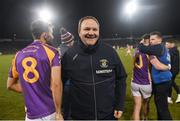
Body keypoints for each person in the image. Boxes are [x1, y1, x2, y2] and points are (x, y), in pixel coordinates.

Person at [61, 16, 127, 120]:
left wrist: (119, 104)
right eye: (87, 29)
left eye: (95, 29)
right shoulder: (69, 55)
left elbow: (121, 78)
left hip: (108, 115)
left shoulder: (110, 52)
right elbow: (61, 83)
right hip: (80, 117)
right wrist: (63, 110)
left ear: (99, 31)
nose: (91, 33)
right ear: (79, 32)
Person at [7, 20, 63, 121]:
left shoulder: (18, 55)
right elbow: (56, 84)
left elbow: (10, 85)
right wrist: (58, 113)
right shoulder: (53, 52)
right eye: (51, 33)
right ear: (45, 35)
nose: (52, 36)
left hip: (30, 116)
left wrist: (31, 90)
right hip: (49, 112)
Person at [131, 34, 170, 120]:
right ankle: (145, 118)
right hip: (146, 83)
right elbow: (157, 65)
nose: (151, 41)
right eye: (151, 40)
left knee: (137, 106)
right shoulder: (151, 52)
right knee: (145, 103)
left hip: (134, 82)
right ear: (148, 41)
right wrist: (168, 67)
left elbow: (133, 61)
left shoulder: (136, 51)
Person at [58, 27, 74, 119]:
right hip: (67, 80)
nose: (73, 42)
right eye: (72, 40)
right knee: (68, 107)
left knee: (64, 104)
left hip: (60, 80)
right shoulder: (69, 51)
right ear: (68, 41)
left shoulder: (60, 48)